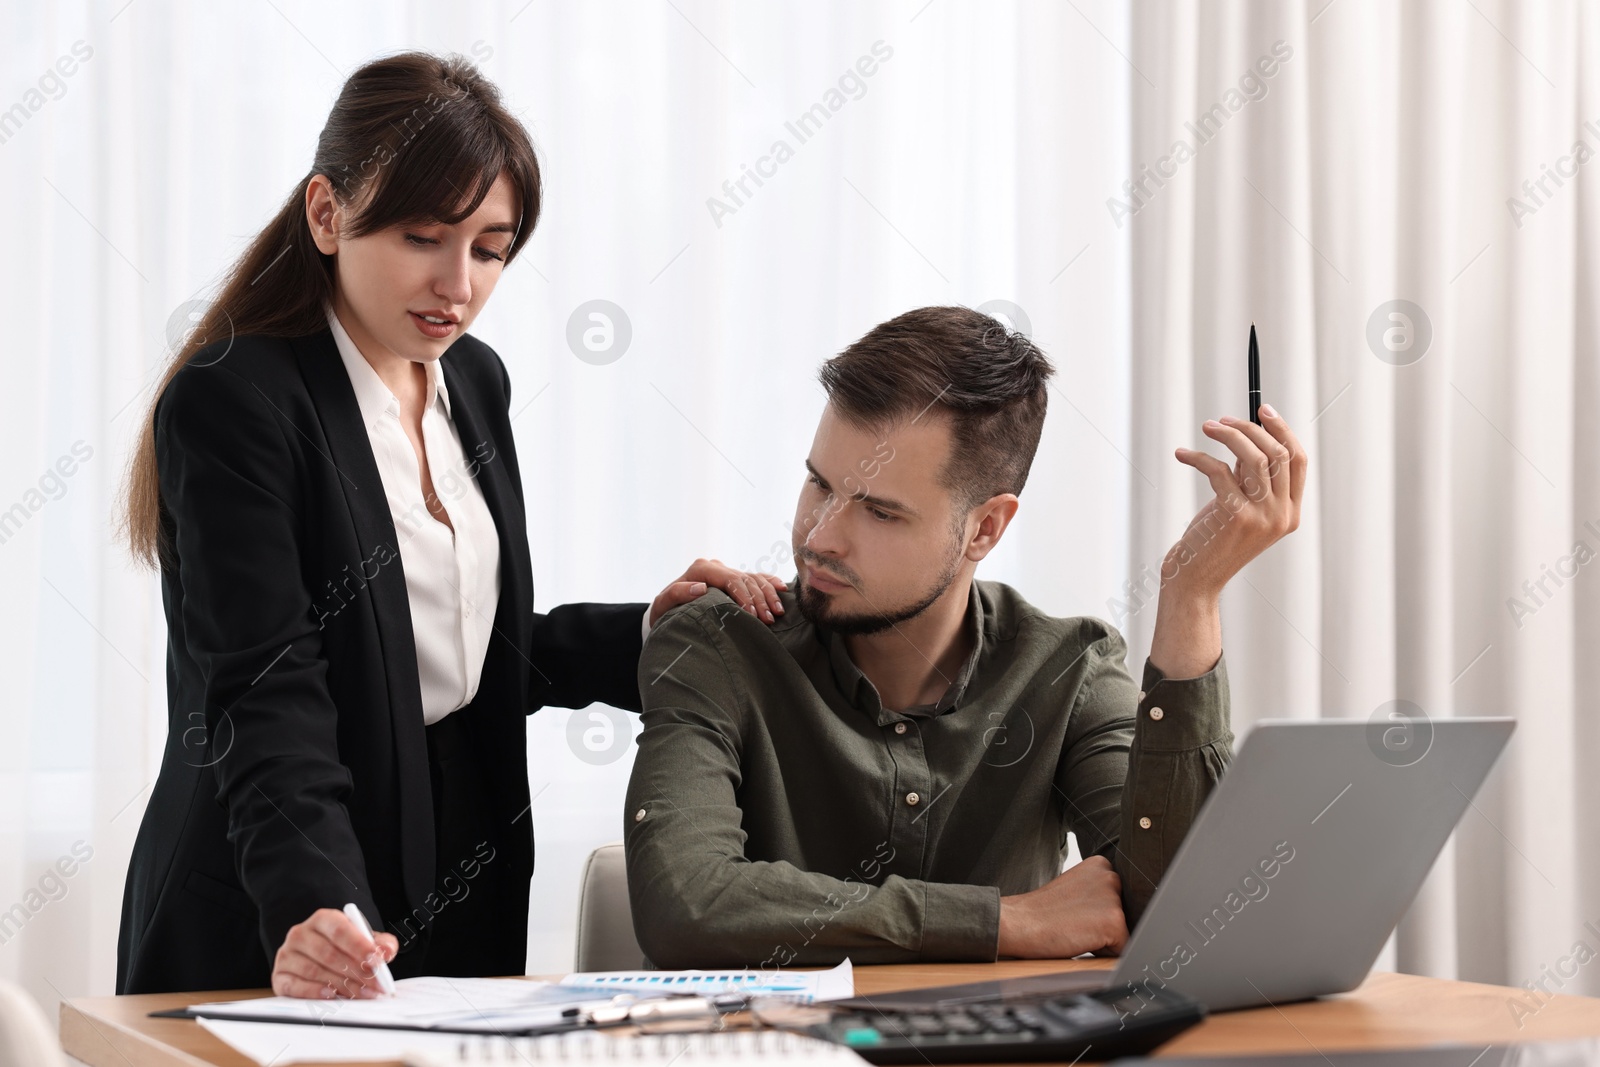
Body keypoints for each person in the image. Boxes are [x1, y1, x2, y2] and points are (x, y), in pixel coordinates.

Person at [114, 51, 784, 997]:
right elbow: (269, 693)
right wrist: (321, 908)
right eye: (424, 237)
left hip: (458, 878)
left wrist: (646, 635)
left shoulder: (473, 380)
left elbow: (456, 647)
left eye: (490, 247)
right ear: (327, 214)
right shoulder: (237, 402)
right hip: (276, 902)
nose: (457, 284)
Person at [624, 305, 1306, 967]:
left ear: (986, 528)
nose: (820, 536)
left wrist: (1191, 597)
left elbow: (1179, 915)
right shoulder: (715, 644)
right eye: (818, 484)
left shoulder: (1069, 672)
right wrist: (1004, 920)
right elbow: (687, 905)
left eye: (880, 512)